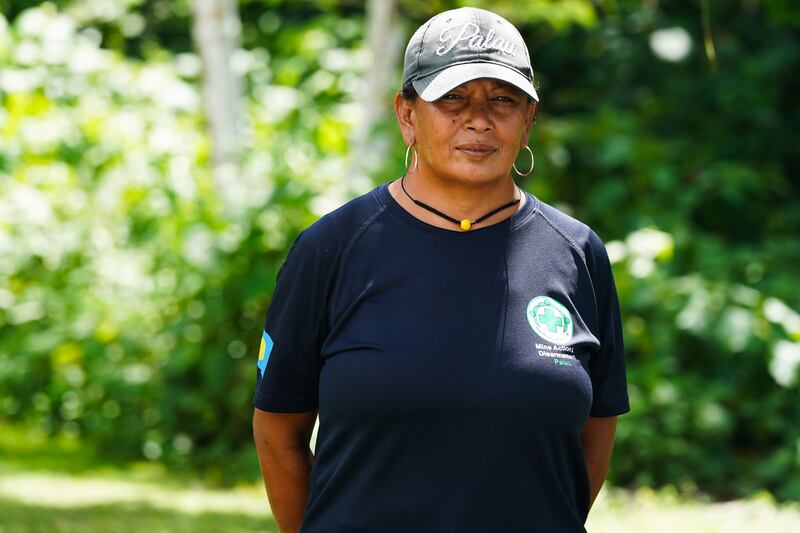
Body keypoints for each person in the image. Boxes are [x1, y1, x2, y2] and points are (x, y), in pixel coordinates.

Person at [252, 6, 629, 532]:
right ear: (407, 115)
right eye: (452, 98)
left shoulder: (578, 253)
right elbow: (278, 432)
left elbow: (596, 432)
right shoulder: (332, 248)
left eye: (503, 100)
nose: (479, 119)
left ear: (528, 120)